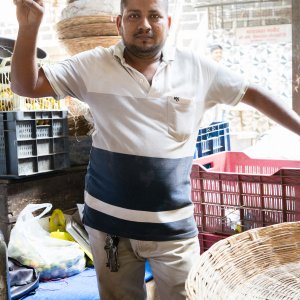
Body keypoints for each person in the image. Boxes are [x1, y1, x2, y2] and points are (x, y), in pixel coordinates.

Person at [11, 0, 300, 299]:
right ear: (119, 23)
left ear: (169, 23)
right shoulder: (90, 65)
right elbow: (26, 85)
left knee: (187, 295)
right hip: (111, 229)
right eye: (134, 15)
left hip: (173, 228)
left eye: (154, 15)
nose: (145, 24)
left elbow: (253, 94)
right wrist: (29, 26)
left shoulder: (198, 69)